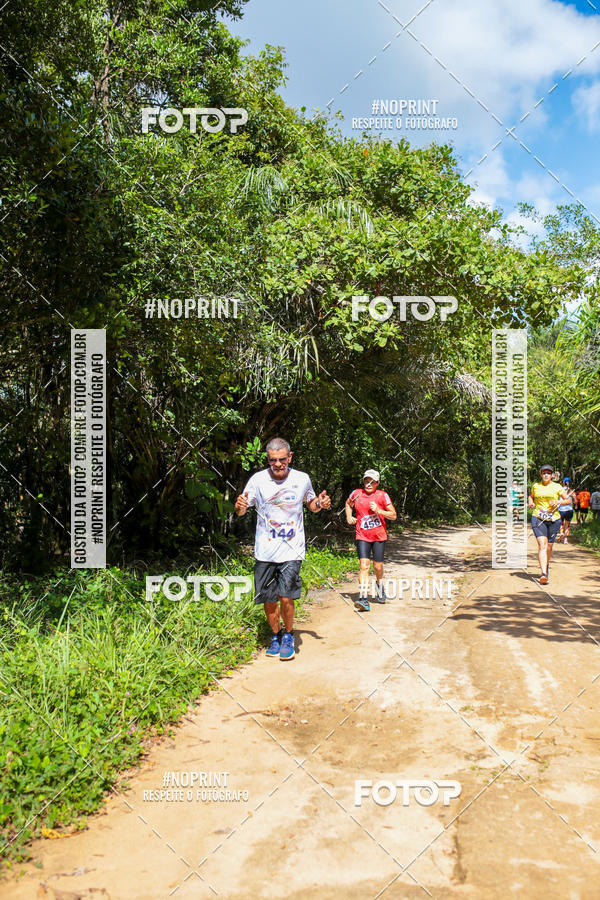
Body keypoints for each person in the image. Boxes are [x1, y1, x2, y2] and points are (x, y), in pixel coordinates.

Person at [234, 438, 331, 660]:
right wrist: (239, 507)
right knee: (269, 599)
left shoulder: (302, 479)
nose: (277, 464)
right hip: (265, 551)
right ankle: (275, 636)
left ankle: (288, 635)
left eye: (282, 459)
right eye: (272, 460)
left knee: (286, 597)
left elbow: (311, 505)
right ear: (268, 459)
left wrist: (320, 503)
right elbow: (242, 509)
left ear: (290, 457)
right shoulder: (258, 480)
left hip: (292, 549)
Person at [345, 469, 397, 611]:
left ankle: (379, 585)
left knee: (377, 567)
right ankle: (363, 598)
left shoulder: (382, 495)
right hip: (362, 535)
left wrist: (379, 510)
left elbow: (393, 515)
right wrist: (349, 517)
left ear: (377, 483)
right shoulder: (356, 493)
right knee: (364, 566)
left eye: (372, 482)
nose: (368, 484)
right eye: (366, 481)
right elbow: (348, 504)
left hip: (379, 536)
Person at [528, 464, 571, 585]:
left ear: (552, 475)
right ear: (541, 474)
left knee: (549, 547)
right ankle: (543, 574)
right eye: (544, 473)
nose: (546, 475)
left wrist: (558, 502)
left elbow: (568, 500)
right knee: (542, 544)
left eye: (548, 473)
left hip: (554, 519)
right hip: (538, 517)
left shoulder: (557, 487)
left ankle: (545, 566)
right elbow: (531, 497)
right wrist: (531, 503)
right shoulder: (536, 486)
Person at [557, 476, 576, 543]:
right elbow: (575, 501)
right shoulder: (571, 491)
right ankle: (565, 539)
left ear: (563, 482)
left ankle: (561, 533)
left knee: (561, 524)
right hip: (569, 510)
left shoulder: (559, 490)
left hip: (561, 510)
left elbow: (556, 499)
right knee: (567, 525)